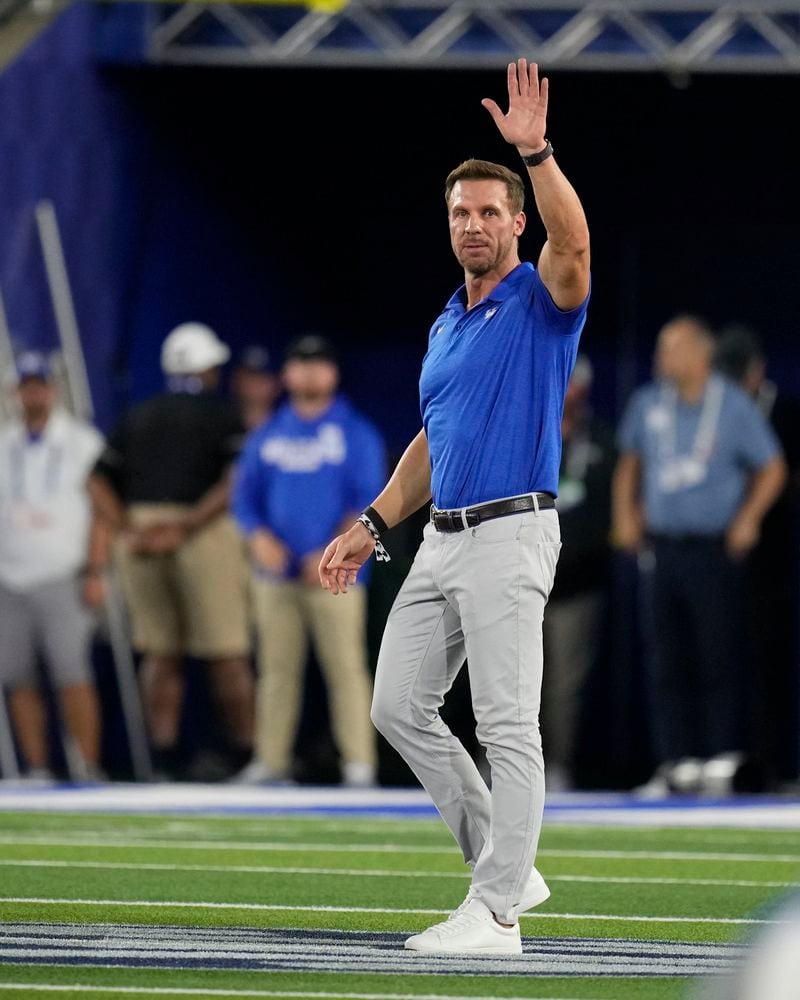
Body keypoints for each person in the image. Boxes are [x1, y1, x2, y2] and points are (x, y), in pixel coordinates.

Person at [318, 59, 591, 955]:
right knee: (396, 705)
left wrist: (538, 153)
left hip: (511, 529)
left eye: (488, 212)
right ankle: (507, 863)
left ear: (516, 222)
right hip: (438, 540)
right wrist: (370, 524)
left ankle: (499, 913)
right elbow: (433, 442)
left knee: (507, 721)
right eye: (459, 213)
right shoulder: (447, 320)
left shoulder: (540, 298)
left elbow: (577, 246)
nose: (472, 224)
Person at [612, 314, 787, 798]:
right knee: (665, 656)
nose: (659, 358)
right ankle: (675, 763)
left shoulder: (731, 405)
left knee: (717, 653)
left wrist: (748, 518)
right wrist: (625, 516)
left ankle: (720, 759)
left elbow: (772, 466)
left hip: (712, 550)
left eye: (670, 349)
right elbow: (630, 463)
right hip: (663, 548)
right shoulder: (649, 403)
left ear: (698, 354)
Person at [87, 322, 255, 781]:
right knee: (226, 650)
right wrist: (183, 527)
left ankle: (161, 761)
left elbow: (97, 478)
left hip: (140, 531)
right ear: (204, 368)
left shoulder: (138, 415)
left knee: (160, 653)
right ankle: (248, 757)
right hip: (200, 531)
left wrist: (128, 529)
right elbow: (234, 482)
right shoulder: (222, 415)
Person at [230, 333, 386, 788]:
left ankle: (359, 764)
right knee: (276, 671)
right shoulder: (269, 434)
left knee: (346, 668)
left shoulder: (354, 432)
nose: (310, 372)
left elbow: (369, 499)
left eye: (319, 364)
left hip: (338, 572)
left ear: (333, 373)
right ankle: (271, 760)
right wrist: (259, 539)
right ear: (287, 374)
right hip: (275, 574)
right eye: (301, 364)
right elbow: (244, 501)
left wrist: (332, 549)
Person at [0, 351, 107, 782]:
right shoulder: (4, 442)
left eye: (40, 385)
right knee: (17, 675)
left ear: (53, 389)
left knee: (72, 672)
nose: (33, 393)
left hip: (64, 573)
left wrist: (97, 569)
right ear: (15, 392)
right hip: (10, 576)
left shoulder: (82, 442)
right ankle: (37, 766)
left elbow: (105, 511)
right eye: (26, 386)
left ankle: (88, 765)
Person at [714, 324, 800, 790]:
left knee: (773, 661)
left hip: (777, 558)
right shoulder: (718, 410)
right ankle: (735, 764)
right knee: (728, 661)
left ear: (758, 370)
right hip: (727, 554)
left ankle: (780, 764)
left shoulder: (785, 412)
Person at [542, 353, 617, 791]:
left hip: (575, 582)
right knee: (509, 682)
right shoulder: (527, 430)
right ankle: (495, 767)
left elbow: (608, 513)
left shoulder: (602, 442)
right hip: (520, 578)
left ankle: (558, 766)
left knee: (565, 686)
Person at [230, 344, 280, 432]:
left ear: (277, 384)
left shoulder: (290, 427)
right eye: (249, 377)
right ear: (236, 381)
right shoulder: (217, 425)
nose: (255, 384)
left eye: (263, 378)